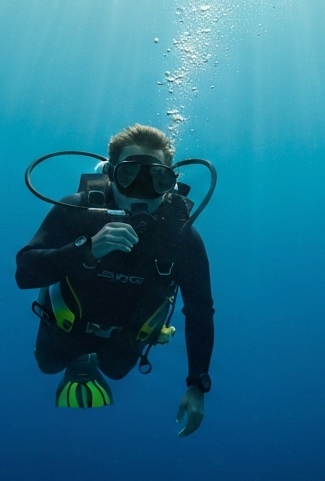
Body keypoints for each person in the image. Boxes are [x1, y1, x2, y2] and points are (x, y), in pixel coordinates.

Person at [16, 124, 214, 437]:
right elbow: (25, 272)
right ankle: (79, 360)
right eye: (129, 175)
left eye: (156, 179)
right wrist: (87, 249)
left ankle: (92, 362)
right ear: (110, 174)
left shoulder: (182, 239)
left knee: (117, 372)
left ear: (170, 183)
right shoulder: (78, 210)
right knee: (48, 363)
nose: (141, 191)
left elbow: (200, 310)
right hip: (65, 325)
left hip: (127, 338)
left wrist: (197, 384)